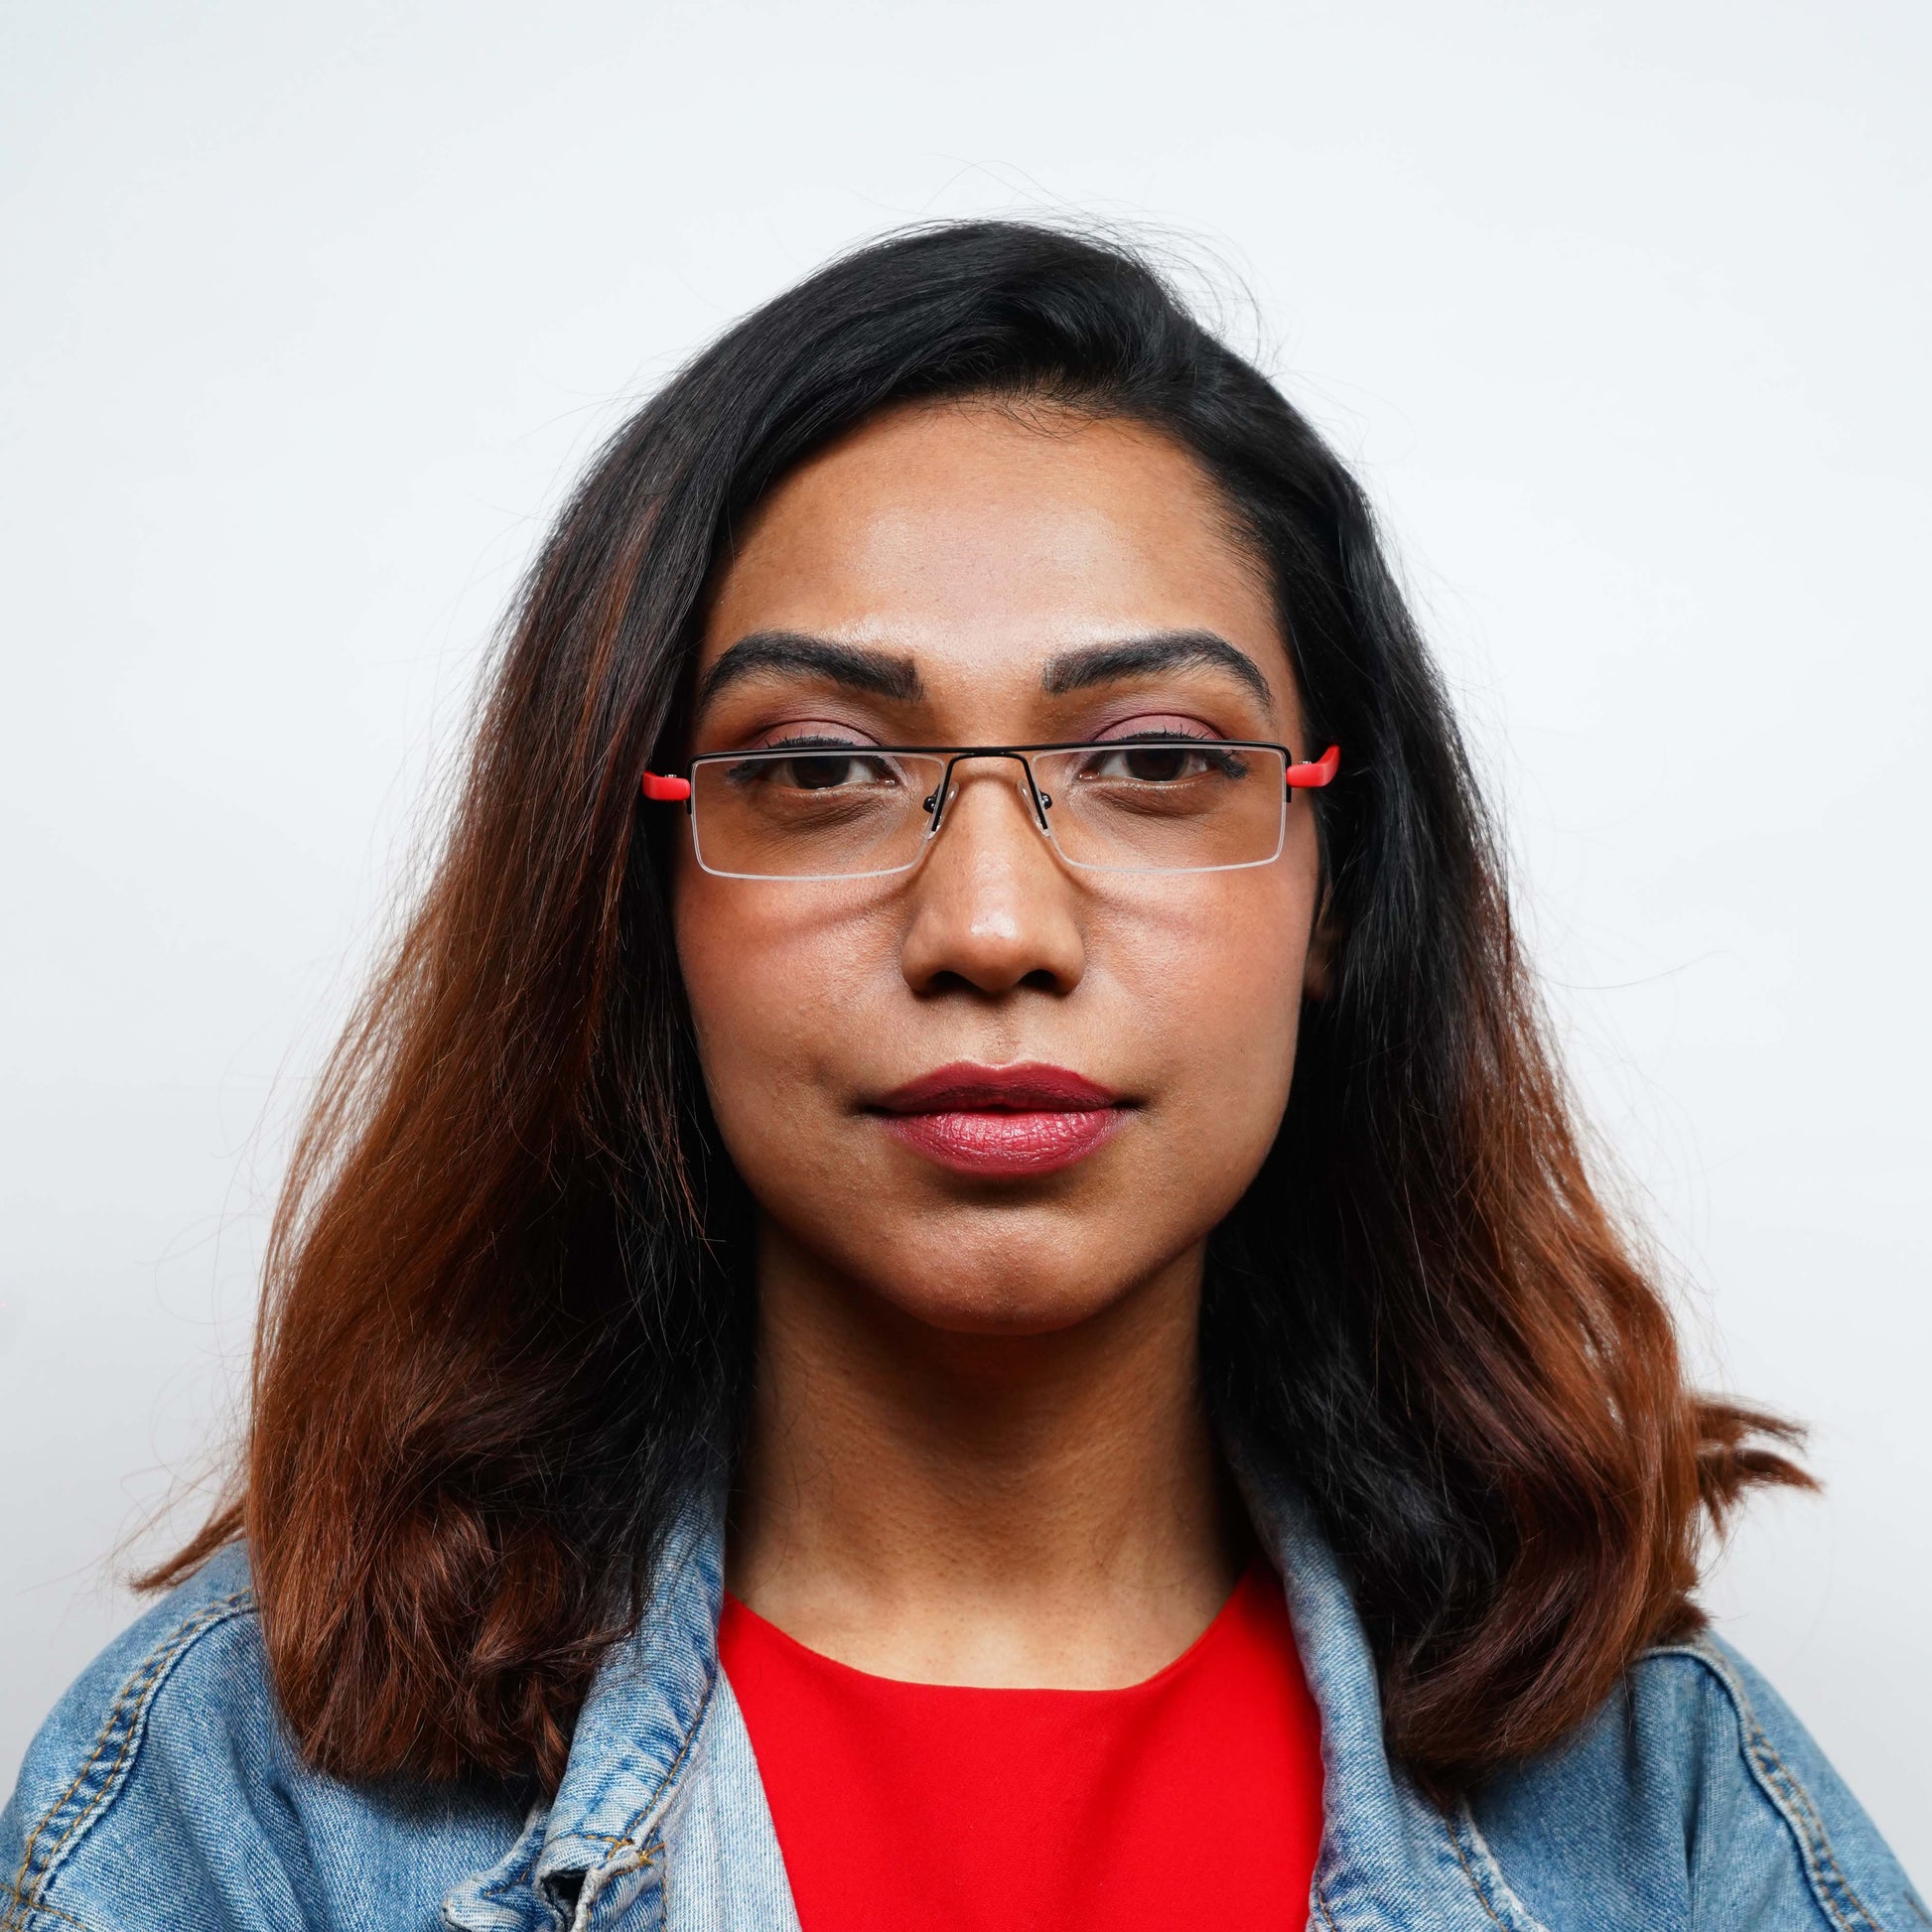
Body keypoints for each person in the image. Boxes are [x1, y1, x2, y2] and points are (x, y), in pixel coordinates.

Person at [3, 221, 1919, 1932]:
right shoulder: (239, 1810)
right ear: (636, 891)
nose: (991, 922)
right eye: (819, 769)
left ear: (1341, 886)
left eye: (1158, 760)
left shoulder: (1668, 1818)